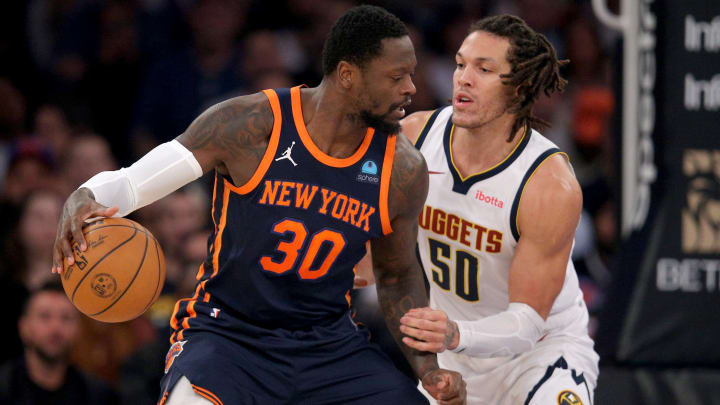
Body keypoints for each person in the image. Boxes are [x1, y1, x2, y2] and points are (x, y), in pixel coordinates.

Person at [52, 5, 465, 405]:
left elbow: (396, 275)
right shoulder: (250, 125)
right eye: (396, 77)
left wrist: (428, 369)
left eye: (410, 75)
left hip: (328, 346)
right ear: (347, 75)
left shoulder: (403, 169)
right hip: (229, 335)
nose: (411, 88)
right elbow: (133, 183)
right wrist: (85, 196)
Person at [395, 15, 600, 404]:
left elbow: (526, 324)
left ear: (519, 88)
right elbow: (375, 251)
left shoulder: (548, 184)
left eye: (484, 69)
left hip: (538, 355)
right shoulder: (414, 138)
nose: (463, 78)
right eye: (460, 64)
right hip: (453, 355)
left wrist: (455, 334)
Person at [0, 280, 119, 405]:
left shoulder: (99, 396)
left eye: (66, 317)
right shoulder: (4, 388)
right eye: (44, 316)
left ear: (78, 328)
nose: (56, 327)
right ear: (23, 327)